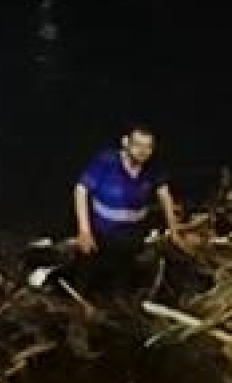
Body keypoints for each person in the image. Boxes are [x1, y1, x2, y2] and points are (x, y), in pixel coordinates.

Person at [72, 123, 183, 294]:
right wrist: (84, 231)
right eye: (138, 145)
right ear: (126, 142)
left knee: (122, 283)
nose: (143, 151)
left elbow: (165, 196)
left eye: (148, 147)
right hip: (101, 235)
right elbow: (81, 189)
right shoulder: (107, 161)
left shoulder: (153, 167)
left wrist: (174, 231)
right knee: (86, 277)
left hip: (132, 237)